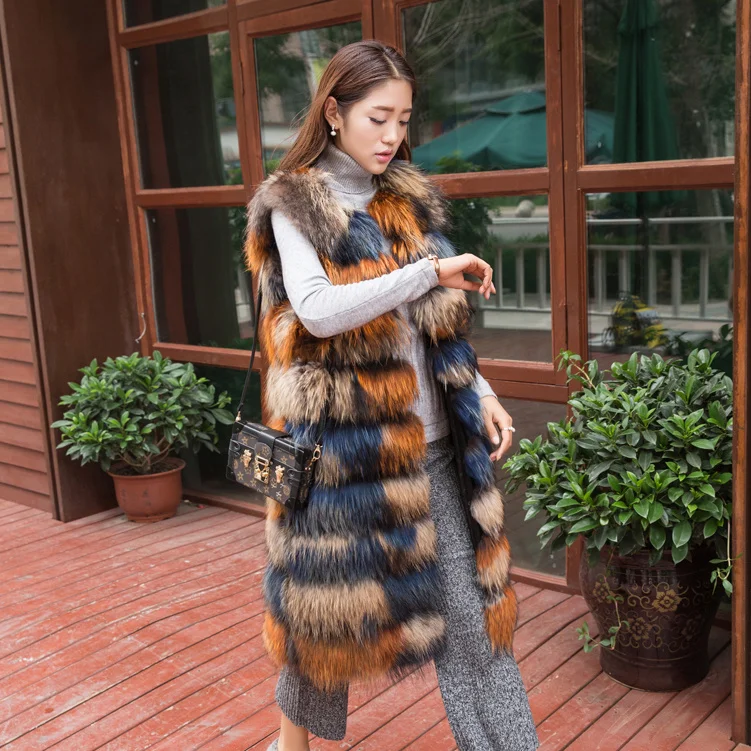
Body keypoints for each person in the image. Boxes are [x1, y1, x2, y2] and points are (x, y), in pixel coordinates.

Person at [243, 40, 539, 751]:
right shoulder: (295, 202)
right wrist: (428, 271)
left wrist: (481, 391)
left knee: (476, 629)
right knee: (325, 621)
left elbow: (433, 326)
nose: (392, 136)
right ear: (334, 111)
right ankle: (292, 744)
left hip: (434, 450)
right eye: (378, 118)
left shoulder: (404, 199)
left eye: (403, 120)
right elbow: (318, 309)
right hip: (344, 457)